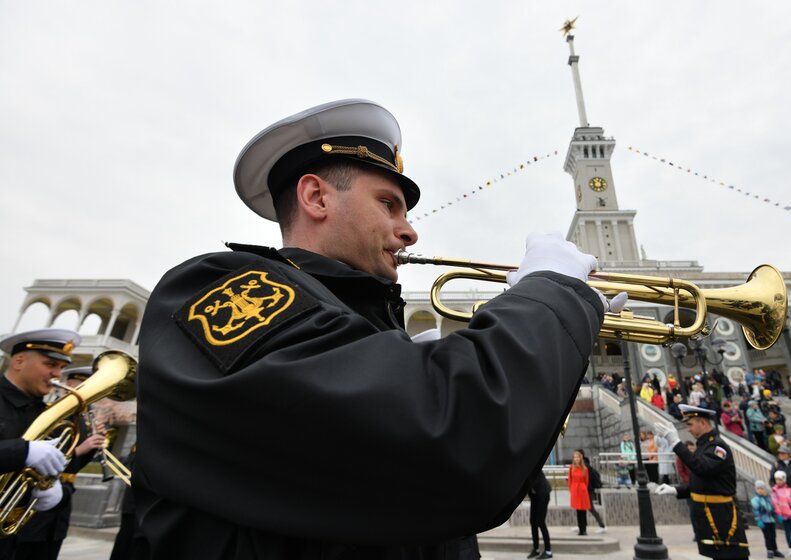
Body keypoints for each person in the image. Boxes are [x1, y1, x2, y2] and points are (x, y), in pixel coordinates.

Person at [132, 99, 621, 559]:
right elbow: (454, 439)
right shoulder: (225, 286)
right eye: (388, 204)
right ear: (316, 196)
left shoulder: (356, 320)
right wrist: (551, 298)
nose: (410, 232)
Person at [0, 329, 81, 559]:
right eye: (50, 364)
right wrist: (22, 451)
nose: (57, 374)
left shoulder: (50, 416)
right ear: (19, 361)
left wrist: (58, 495)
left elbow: (65, 472)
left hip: (14, 540)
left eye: (61, 368)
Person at [14, 366, 106, 560]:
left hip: (61, 501)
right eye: (83, 385)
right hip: (36, 499)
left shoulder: (81, 421)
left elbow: (74, 465)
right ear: (69, 385)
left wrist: (93, 447)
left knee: (50, 549)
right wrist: (83, 447)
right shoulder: (52, 414)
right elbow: (39, 458)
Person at [654, 404, 749, 559]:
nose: (689, 430)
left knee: (730, 556)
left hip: (721, 517)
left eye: (690, 424)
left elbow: (702, 468)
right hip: (709, 515)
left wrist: (675, 443)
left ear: (703, 423)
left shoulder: (717, 446)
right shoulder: (704, 445)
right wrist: (676, 490)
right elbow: (701, 481)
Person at [751, 480, 784, 558]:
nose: (760, 490)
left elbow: (772, 508)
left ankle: (775, 550)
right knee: (767, 536)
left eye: (762, 488)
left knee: (773, 535)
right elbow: (756, 511)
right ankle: (769, 550)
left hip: (771, 520)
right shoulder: (755, 499)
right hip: (763, 520)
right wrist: (758, 520)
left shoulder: (768, 497)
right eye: (758, 488)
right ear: (756, 489)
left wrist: (777, 516)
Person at [526, 469, 552, 559]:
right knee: (533, 521)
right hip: (534, 495)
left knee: (540, 522)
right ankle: (536, 549)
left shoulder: (532, 462)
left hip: (543, 493)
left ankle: (548, 551)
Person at [579, 450, 606, 534]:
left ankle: (602, 525)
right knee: (581, 508)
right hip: (584, 489)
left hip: (588, 490)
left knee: (590, 508)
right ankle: (581, 526)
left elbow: (585, 478)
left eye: (577, 455)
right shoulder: (582, 465)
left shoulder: (585, 465)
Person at [567, 451, 590, 536]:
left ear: (580, 458)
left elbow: (586, 481)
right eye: (575, 457)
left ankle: (584, 529)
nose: (576, 459)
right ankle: (580, 529)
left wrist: (583, 488)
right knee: (578, 511)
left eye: (578, 457)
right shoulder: (571, 468)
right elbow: (570, 479)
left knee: (583, 511)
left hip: (582, 490)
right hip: (575, 490)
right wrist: (571, 489)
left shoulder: (585, 468)